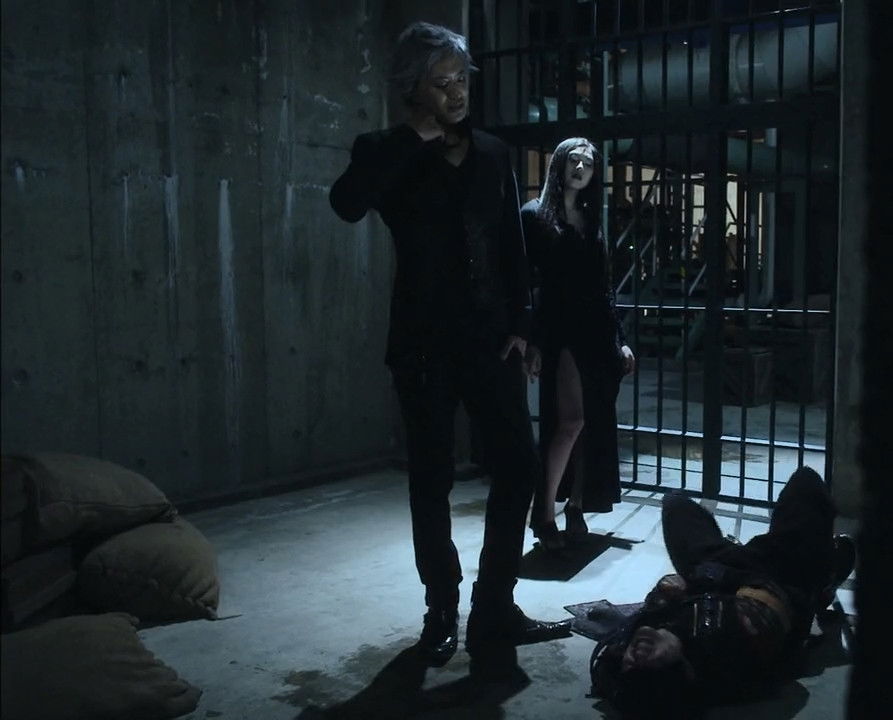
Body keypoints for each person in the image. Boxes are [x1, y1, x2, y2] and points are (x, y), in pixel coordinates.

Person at [328, 22, 568, 679]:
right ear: (413, 88)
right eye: (442, 83)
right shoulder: (384, 150)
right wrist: (414, 138)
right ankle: (442, 610)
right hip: (424, 346)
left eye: (462, 79)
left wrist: (523, 323)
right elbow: (347, 203)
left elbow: (512, 247)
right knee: (431, 480)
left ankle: (495, 606)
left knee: (518, 466)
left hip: (493, 343)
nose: (458, 92)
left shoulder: (492, 152)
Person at [588, 466, 857, 717]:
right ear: (680, 676)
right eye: (646, 670)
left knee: (676, 505)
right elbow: (768, 597)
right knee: (806, 483)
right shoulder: (731, 649)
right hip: (776, 573)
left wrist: (685, 588)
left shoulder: (636, 649)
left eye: (628, 666)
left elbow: (662, 598)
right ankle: (825, 575)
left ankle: (812, 563)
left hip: (714, 569)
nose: (635, 658)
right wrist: (711, 578)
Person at [520, 138, 635, 550]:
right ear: (559, 164)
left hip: (597, 335)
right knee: (570, 422)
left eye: (588, 162)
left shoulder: (590, 218)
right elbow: (525, 282)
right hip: (561, 331)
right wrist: (532, 340)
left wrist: (621, 340)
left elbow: (604, 287)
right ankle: (543, 512)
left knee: (593, 424)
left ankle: (576, 505)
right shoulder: (534, 215)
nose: (581, 168)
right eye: (574, 159)